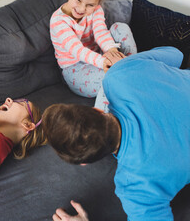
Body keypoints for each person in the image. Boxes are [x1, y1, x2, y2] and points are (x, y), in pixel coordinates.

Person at [42, 46, 189, 221]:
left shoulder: (135, 186)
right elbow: (176, 54)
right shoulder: (118, 76)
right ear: (98, 111)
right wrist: (128, 65)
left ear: (84, 163)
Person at [50, 0, 136, 112]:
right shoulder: (58, 21)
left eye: (90, 5)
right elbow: (77, 51)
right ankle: (101, 119)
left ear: (98, 2)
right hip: (75, 70)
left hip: (98, 57)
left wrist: (111, 50)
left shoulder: (96, 10)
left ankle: (130, 66)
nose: (82, 9)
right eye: (78, 0)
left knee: (120, 27)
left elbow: (101, 32)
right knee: (112, 77)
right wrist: (104, 62)